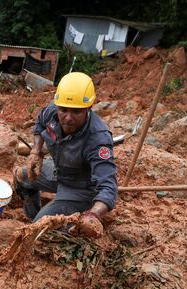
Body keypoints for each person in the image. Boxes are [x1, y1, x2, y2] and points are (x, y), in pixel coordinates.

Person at [13, 72, 118, 237]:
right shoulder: (54, 110)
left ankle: (43, 221)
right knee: (21, 176)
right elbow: (40, 123)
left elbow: (108, 187)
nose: (68, 118)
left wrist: (94, 214)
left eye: (76, 112)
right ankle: (33, 215)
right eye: (63, 110)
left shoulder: (98, 138)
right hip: (59, 171)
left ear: (88, 109)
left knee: (41, 232)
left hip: (80, 188)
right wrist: (35, 152)